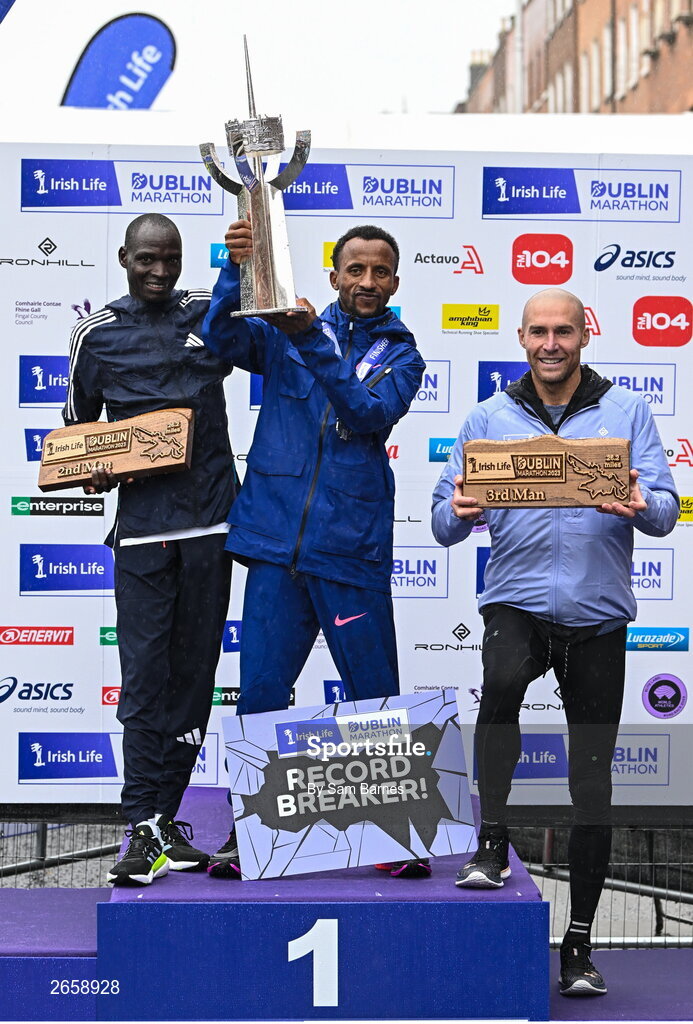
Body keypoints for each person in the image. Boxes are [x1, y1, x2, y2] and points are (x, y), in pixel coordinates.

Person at [431, 288, 678, 996]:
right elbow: (442, 522)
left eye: (562, 331)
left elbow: (661, 510)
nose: (549, 343)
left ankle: (579, 945)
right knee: (502, 685)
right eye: (537, 331)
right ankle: (491, 840)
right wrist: (456, 510)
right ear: (520, 337)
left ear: (582, 336)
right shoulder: (487, 416)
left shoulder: (627, 410)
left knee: (590, 781)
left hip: (597, 616)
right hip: (515, 603)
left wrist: (640, 504)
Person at [202, 220, 426, 879]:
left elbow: (363, 414)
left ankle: (395, 836)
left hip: (348, 548)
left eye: (378, 271)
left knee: (372, 695)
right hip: (275, 543)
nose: (365, 281)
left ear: (394, 281)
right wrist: (234, 270)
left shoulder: (402, 356)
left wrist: (313, 341)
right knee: (262, 692)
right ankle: (251, 834)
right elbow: (221, 337)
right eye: (353, 269)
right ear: (332, 275)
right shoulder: (281, 329)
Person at [63, 213, 236, 886]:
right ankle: (140, 825)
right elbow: (77, 438)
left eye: (170, 259)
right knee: (144, 683)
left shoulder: (208, 318)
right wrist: (97, 468)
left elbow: (252, 323)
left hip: (212, 527)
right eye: (146, 259)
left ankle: (163, 824)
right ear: (124, 258)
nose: (159, 271)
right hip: (141, 534)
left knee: (194, 682)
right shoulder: (95, 334)